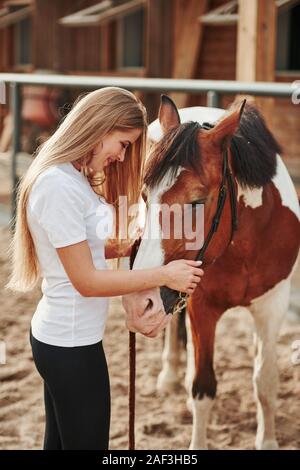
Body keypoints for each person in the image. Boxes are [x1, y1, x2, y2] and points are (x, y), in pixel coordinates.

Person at [6, 87, 204, 450]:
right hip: (70, 345)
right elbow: (87, 281)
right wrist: (166, 275)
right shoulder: (58, 186)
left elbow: (79, 249)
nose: (122, 155)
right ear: (100, 127)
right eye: (123, 143)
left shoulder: (71, 177)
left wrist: (125, 245)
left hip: (68, 338)